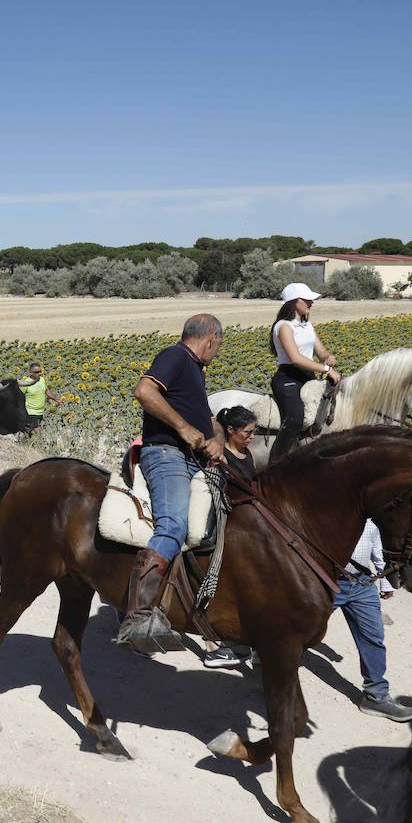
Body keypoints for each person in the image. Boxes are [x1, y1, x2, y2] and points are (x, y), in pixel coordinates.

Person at [116, 313, 225, 651]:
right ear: (210, 339)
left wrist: (218, 439)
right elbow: (144, 391)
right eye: (217, 347)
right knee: (173, 525)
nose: (216, 352)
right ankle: (137, 615)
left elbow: (209, 420)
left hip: (193, 459)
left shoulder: (195, 371)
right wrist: (182, 428)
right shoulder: (175, 356)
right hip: (166, 454)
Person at [334, 519, 412, 722]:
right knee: (301, 631)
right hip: (330, 582)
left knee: (373, 638)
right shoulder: (329, 511)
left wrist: (386, 583)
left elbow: (378, 553)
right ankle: (270, 666)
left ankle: (376, 697)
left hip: (363, 584)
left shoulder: (372, 524)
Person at [201, 404, 258, 668]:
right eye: (247, 431)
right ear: (231, 430)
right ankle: (210, 640)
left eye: (254, 431)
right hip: (224, 517)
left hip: (246, 521)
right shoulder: (219, 454)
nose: (251, 436)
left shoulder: (249, 455)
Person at [268, 282, 340, 465]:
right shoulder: (283, 326)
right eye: (307, 300)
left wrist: (327, 357)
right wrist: (327, 369)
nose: (311, 303)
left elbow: (320, 351)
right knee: (295, 418)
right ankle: (275, 465)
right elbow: (295, 358)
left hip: (308, 377)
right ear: (294, 302)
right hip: (288, 378)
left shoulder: (307, 325)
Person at [18, 362, 60, 433]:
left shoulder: (42, 380)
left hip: (40, 412)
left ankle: (26, 442)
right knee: (37, 431)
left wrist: (56, 399)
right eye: (37, 372)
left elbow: (46, 391)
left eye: (40, 371)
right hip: (30, 412)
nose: (39, 373)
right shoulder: (26, 382)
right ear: (31, 372)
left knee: (30, 432)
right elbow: (19, 395)